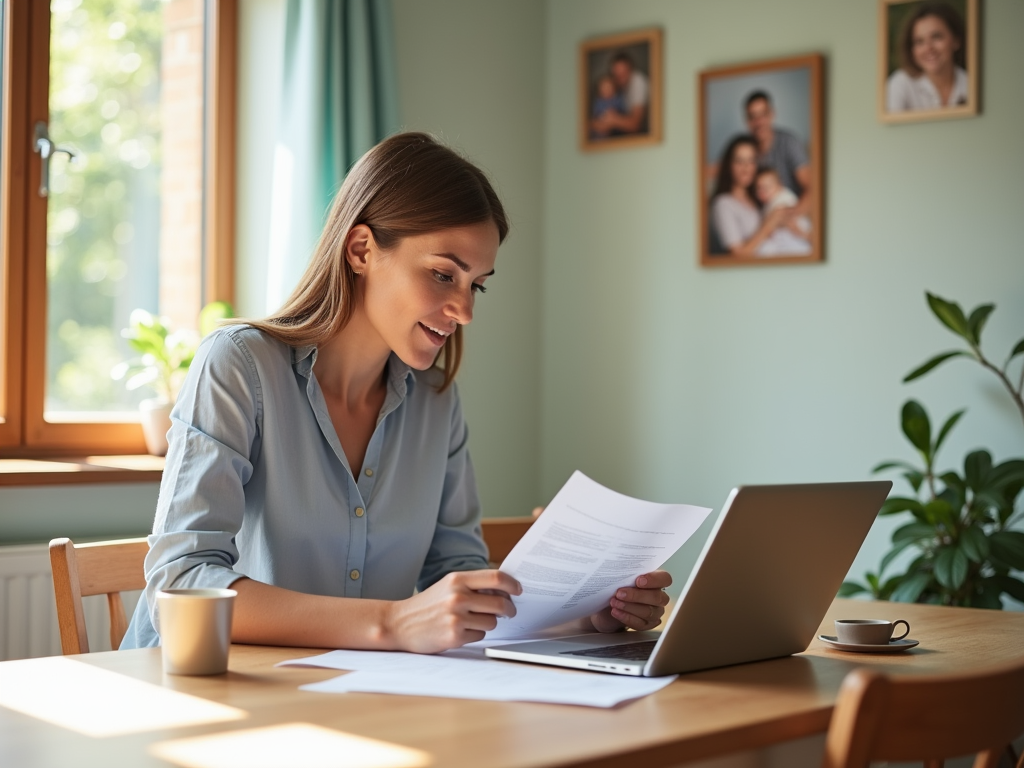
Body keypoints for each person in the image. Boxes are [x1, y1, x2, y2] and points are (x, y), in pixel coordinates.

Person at [121, 133, 671, 654]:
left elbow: (457, 582)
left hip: (340, 698)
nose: (466, 310)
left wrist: (586, 616)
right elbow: (183, 582)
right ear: (361, 249)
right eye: (442, 275)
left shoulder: (435, 400)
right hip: (191, 699)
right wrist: (392, 623)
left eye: (476, 284)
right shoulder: (239, 364)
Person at [710, 136, 800, 258]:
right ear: (729, 165)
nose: (746, 168)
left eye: (751, 161)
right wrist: (769, 224)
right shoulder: (723, 204)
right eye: (739, 161)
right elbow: (737, 256)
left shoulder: (760, 199)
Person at [885, 1, 968, 113]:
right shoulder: (899, 85)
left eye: (936, 37)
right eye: (919, 41)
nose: (928, 48)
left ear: (956, 40)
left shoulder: (971, 84)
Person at [744, 90, 811, 215]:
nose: (758, 122)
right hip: (760, 219)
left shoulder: (789, 143)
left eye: (763, 115)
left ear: (772, 114)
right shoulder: (746, 149)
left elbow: (812, 187)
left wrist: (790, 216)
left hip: (789, 214)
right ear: (747, 121)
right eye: (752, 117)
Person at [753, 167, 812, 255]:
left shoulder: (782, 198)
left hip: (795, 239)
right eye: (759, 188)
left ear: (779, 186)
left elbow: (781, 217)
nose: (762, 191)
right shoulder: (768, 203)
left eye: (767, 187)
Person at [590, 51, 649, 136]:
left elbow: (635, 125)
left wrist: (613, 119)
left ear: (631, 70)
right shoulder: (616, 91)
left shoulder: (638, 81)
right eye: (617, 75)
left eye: (624, 73)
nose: (621, 79)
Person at [589, 74, 627, 139]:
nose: (607, 90)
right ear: (599, 91)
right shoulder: (598, 102)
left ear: (614, 88)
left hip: (615, 130)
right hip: (600, 125)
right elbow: (595, 117)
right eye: (604, 88)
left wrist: (614, 115)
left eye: (609, 87)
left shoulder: (617, 99)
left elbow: (622, 112)